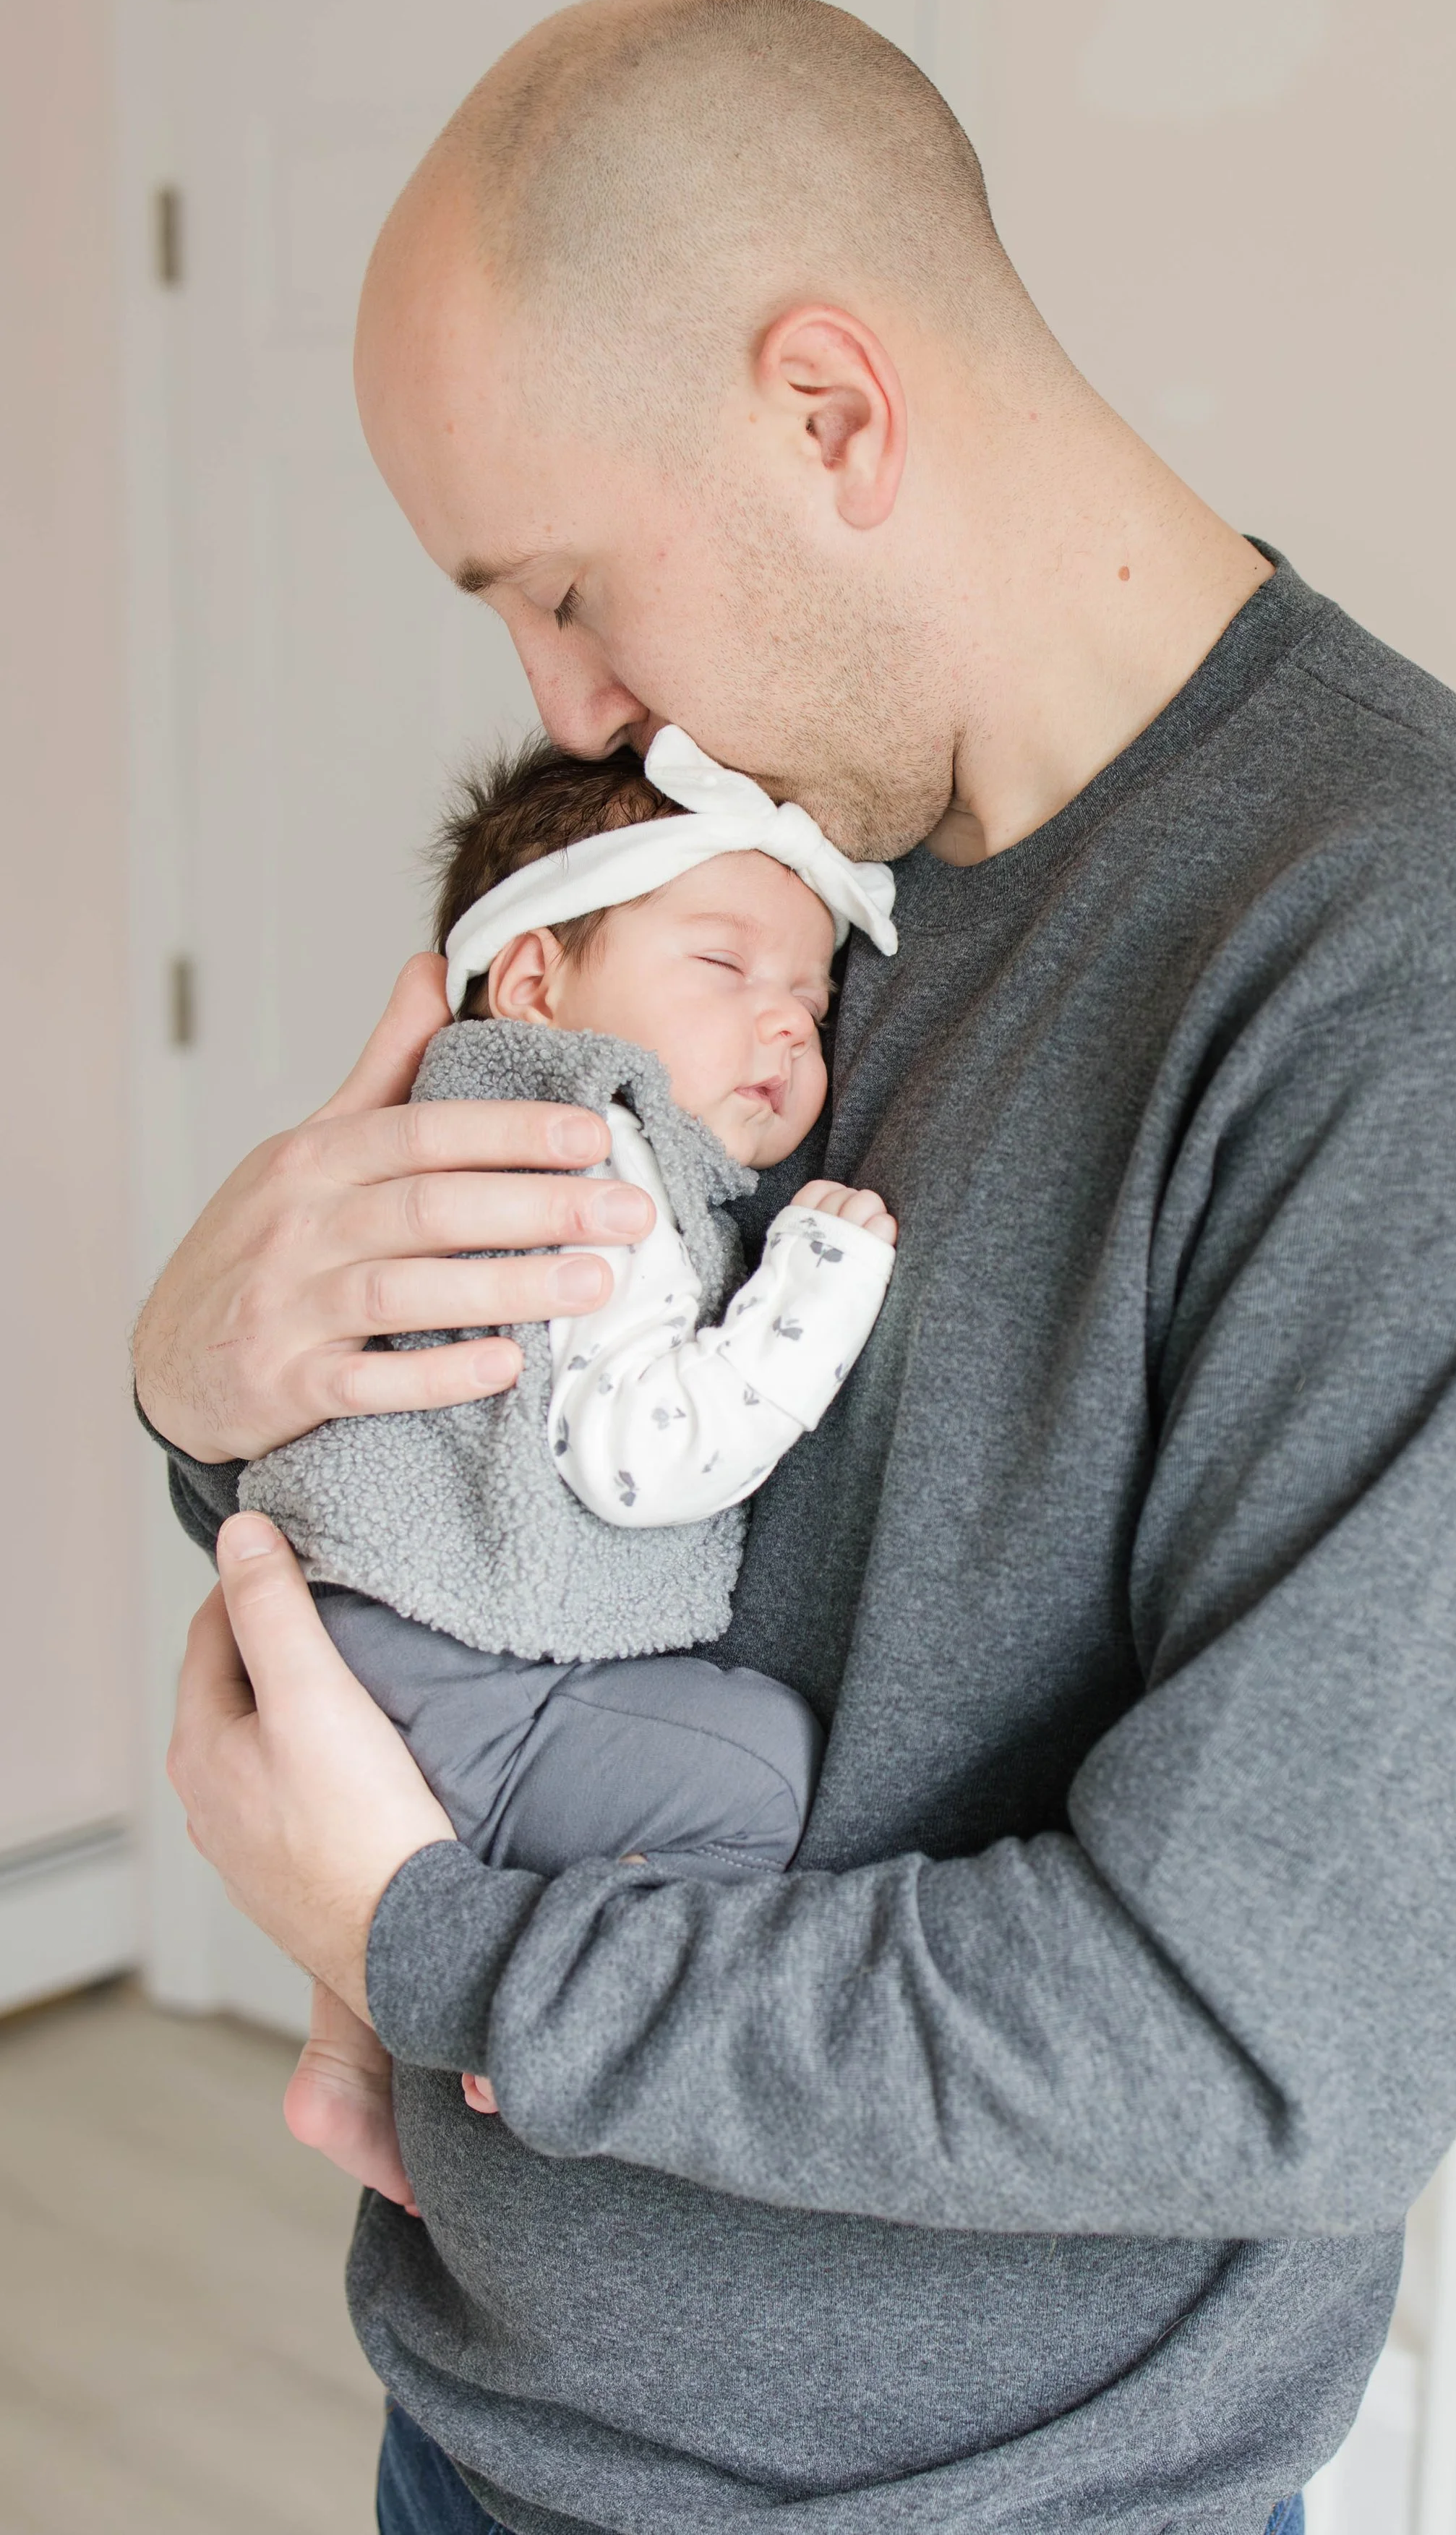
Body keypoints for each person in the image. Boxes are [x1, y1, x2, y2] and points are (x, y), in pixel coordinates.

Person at [145, 0, 1456, 2535]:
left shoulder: (1440, 978)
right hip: (477, 2424)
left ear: (828, 415)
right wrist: (200, 1383)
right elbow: (493, 1510)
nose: (575, 711)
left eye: (566, 585)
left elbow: (1252, 2038)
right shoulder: (756, 896)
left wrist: (433, 1947)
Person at [249, 724, 898, 2216]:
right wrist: (815, 1287)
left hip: (346, 1610)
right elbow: (633, 1454)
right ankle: (544, 2019)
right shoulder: (593, 1157)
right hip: (435, 1653)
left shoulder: (457, 1119)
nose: (787, 1028)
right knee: (753, 1771)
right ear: (539, 981)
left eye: (810, 997)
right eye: (726, 969)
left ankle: (346, 2065)